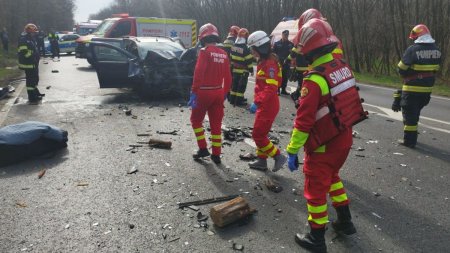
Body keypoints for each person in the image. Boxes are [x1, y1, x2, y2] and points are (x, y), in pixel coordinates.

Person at [286, 18, 358, 252]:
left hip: (324, 145)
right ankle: (345, 222)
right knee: (333, 177)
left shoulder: (314, 80)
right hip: (344, 138)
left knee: (315, 190)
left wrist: (292, 150)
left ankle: (316, 238)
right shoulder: (342, 67)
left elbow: (304, 122)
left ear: (310, 50)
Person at [188, 23, 232, 164]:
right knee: (216, 124)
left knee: (195, 121)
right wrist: (225, 93)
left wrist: (194, 92)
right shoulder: (224, 54)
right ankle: (216, 155)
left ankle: (203, 149)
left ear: (202, 38)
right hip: (218, 92)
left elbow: (198, 73)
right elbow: (228, 77)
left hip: (203, 92)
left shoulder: (204, 52)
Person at [394, 24, 441, 148]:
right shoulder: (437, 50)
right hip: (426, 91)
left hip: (411, 90)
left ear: (418, 36)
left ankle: (409, 141)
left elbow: (401, 68)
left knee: (409, 116)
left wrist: (408, 73)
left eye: (414, 38)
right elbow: (436, 69)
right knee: (415, 114)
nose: (413, 40)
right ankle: (412, 135)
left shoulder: (413, 49)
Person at [246, 31, 286, 172]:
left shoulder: (269, 63)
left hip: (268, 105)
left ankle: (278, 156)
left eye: (253, 49)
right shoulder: (264, 61)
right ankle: (262, 160)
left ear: (260, 48)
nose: (252, 52)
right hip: (265, 104)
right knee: (261, 134)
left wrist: (257, 102)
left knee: (257, 135)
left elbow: (271, 87)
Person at [18, 24, 44, 104]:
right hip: (28, 64)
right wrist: (33, 54)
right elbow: (24, 52)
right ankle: (32, 97)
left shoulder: (31, 38)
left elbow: (34, 49)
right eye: (34, 32)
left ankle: (35, 93)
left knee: (35, 79)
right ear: (29, 31)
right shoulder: (24, 39)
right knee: (30, 81)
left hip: (33, 63)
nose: (35, 33)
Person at [229, 28, 253, 106]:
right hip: (243, 72)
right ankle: (239, 101)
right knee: (241, 87)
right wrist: (251, 70)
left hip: (235, 70)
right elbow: (249, 60)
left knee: (234, 86)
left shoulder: (233, 46)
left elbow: (231, 57)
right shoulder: (245, 48)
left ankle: (232, 100)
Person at [273, 30, 294, 95]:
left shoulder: (290, 44)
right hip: (278, 63)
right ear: (282, 35)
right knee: (278, 76)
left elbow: (293, 54)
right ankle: (277, 90)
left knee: (285, 77)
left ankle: (283, 90)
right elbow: (273, 53)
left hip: (286, 63)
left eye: (287, 35)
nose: (286, 36)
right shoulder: (277, 43)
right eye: (285, 35)